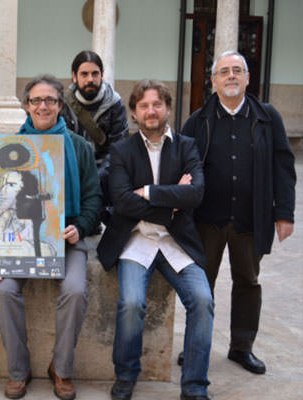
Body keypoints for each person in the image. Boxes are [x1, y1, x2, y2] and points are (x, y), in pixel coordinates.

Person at [181, 51, 296, 374]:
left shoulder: (268, 118)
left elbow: (283, 167)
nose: (231, 76)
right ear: (214, 81)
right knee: (200, 284)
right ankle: (196, 343)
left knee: (248, 281)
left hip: (250, 217)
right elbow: (183, 164)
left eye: (237, 71)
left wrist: (284, 214)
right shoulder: (198, 120)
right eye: (224, 72)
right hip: (206, 220)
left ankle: (241, 347)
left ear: (247, 78)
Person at [98, 79, 214, 400]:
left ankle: (194, 385)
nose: (151, 111)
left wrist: (149, 193)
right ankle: (126, 374)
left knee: (203, 302)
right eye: (144, 106)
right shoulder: (122, 150)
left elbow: (196, 193)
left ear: (167, 108)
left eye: (157, 104)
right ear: (134, 113)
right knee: (132, 303)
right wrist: (173, 201)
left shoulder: (187, 146)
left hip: (176, 241)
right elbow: (121, 201)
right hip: (135, 240)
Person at [0, 74, 102, 400]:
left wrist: (79, 227)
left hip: (65, 239)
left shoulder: (81, 148)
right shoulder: (8, 149)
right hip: (19, 242)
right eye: (36, 100)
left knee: (75, 290)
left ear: (60, 105)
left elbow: (95, 199)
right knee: (4, 290)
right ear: (27, 106)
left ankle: (62, 369)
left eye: (50, 100)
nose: (43, 106)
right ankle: (18, 369)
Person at [64, 50, 128, 167]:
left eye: (95, 74)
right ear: (74, 76)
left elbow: (119, 150)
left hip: (106, 173)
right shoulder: (64, 104)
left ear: (102, 75)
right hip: (73, 170)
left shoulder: (115, 104)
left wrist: (97, 179)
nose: (90, 79)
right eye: (84, 74)